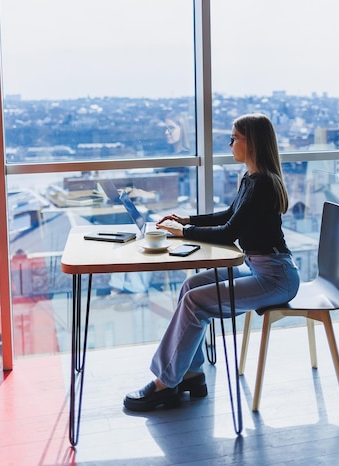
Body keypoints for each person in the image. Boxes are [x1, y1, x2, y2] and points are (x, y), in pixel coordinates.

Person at [123, 113, 300, 412]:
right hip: (261, 269)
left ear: (251, 143)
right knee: (190, 286)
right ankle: (192, 374)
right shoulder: (251, 179)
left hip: (276, 278)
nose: (229, 143)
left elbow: (230, 231)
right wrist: (188, 219)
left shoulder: (263, 185)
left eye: (234, 138)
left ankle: (166, 383)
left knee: (195, 303)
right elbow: (230, 215)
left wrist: (184, 232)